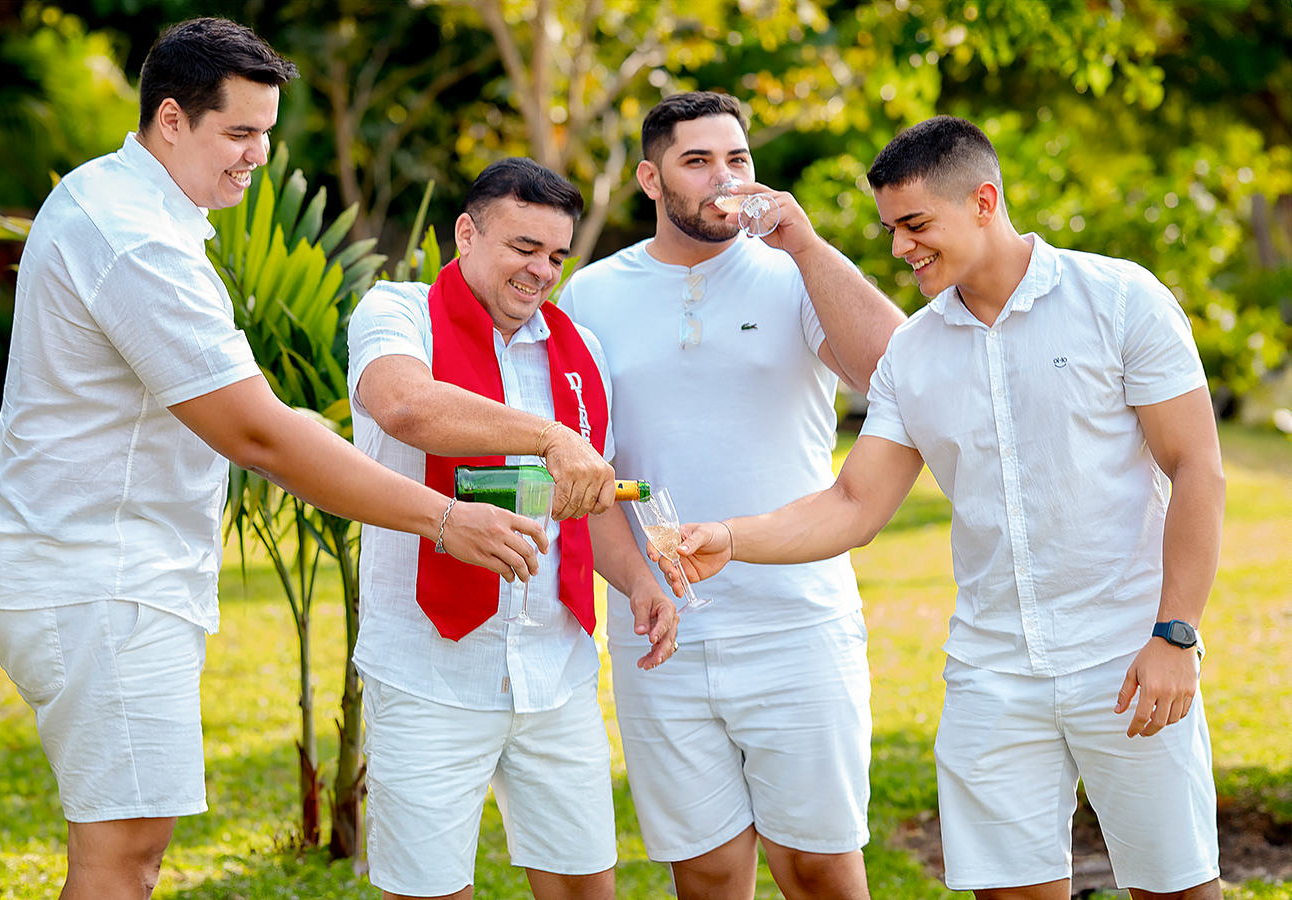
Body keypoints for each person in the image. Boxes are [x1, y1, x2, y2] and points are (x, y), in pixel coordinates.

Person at [0, 19, 544, 900]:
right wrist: (442, 518)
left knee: (125, 850)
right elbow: (259, 435)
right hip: (102, 582)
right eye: (239, 133)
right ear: (171, 119)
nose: (258, 157)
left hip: (89, 572)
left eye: (266, 134)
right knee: (124, 856)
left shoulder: (114, 199)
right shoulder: (137, 239)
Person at [667, 115, 1225, 900]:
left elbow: (1196, 467)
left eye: (916, 224)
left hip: (1127, 655)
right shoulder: (913, 352)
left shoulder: (1120, 299)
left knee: (1177, 889)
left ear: (984, 202)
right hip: (990, 677)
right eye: (892, 228)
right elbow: (854, 503)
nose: (901, 247)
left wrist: (1175, 633)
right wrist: (730, 537)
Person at [558, 91, 906, 900]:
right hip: (661, 632)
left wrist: (806, 244)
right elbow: (589, 474)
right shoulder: (591, 296)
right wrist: (638, 584)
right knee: (708, 875)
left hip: (799, 622)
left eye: (738, 159)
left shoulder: (796, 274)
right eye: (698, 161)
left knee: (819, 870)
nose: (725, 178)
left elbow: (901, 373)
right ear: (651, 179)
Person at [346, 156, 679, 900]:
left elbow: (591, 500)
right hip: (428, 669)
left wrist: (638, 583)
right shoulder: (398, 312)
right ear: (466, 234)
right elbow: (404, 405)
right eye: (524, 247)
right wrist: (551, 437)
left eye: (557, 256)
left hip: (556, 671)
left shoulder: (581, 350)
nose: (542, 272)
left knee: (585, 888)